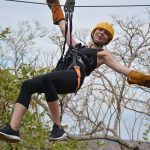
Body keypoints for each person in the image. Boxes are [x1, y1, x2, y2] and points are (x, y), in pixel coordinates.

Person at [0, 0, 150, 143]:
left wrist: (144, 79)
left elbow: (122, 69)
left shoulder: (103, 54)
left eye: (106, 33)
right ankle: (13, 129)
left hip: (74, 78)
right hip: (61, 76)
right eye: (100, 30)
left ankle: (58, 128)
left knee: (47, 79)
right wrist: (55, 6)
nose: (102, 33)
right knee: (27, 85)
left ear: (107, 40)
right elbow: (63, 27)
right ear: (94, 32)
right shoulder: (77, 46)